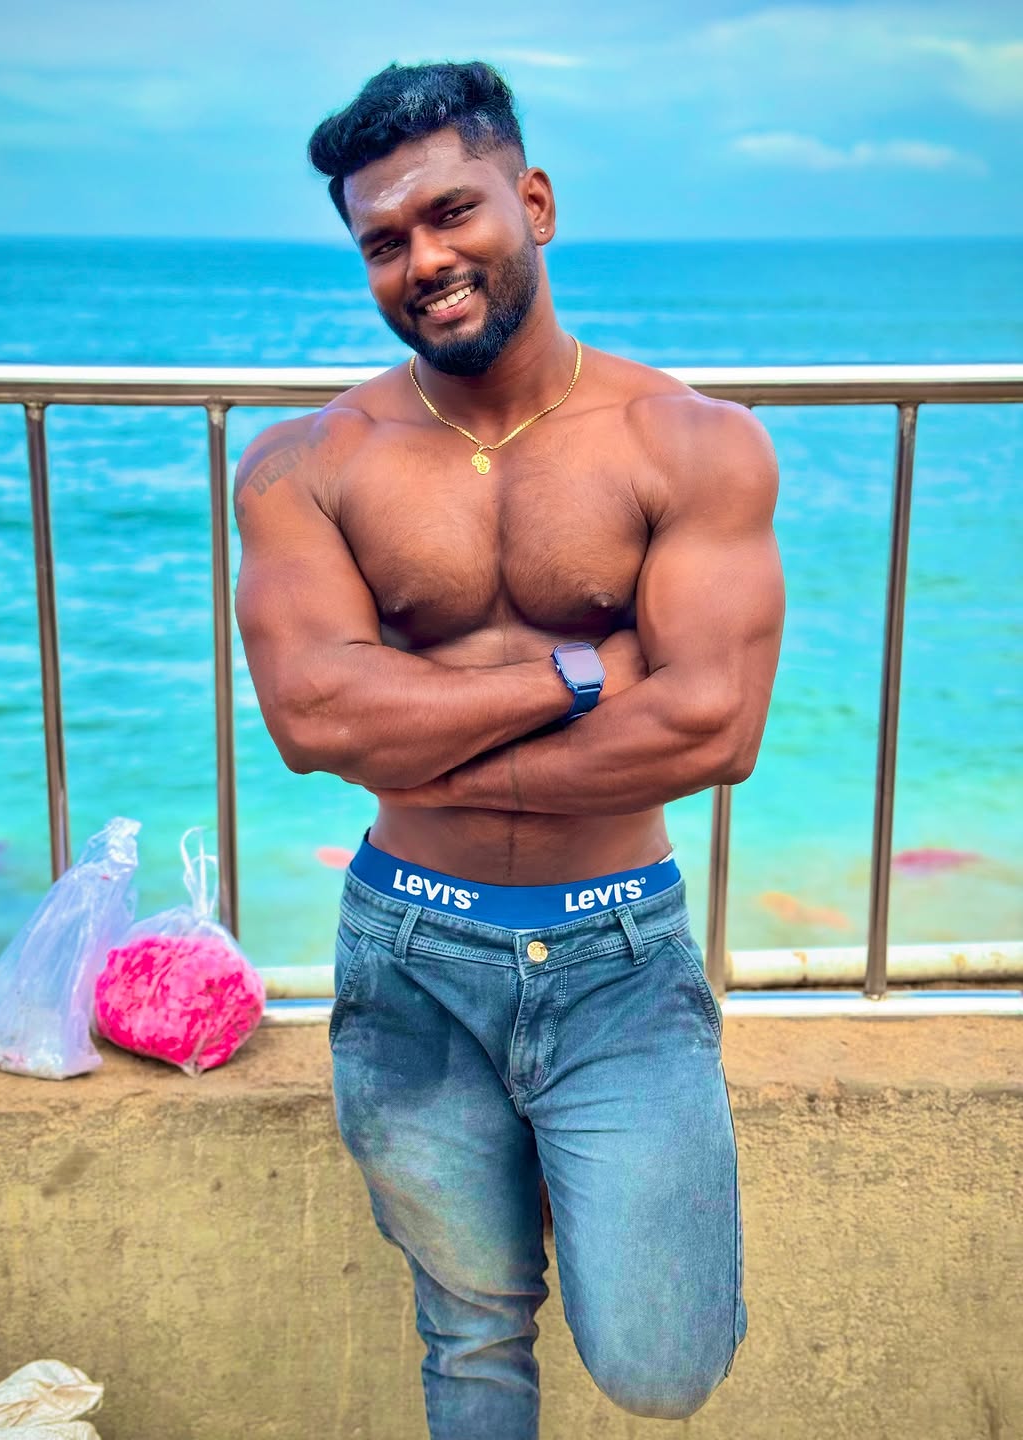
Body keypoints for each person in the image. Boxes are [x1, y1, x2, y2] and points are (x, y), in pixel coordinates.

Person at [234, 60, 784, 1439]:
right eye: (383, 241)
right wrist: (585, 672)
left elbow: (713, 724)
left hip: (617, 951)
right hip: (411, 950)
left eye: (451, 213)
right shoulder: (309, 461)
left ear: (531, 202)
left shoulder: (689, 442)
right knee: (472, 1336)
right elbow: (317, 720)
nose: (423, 260)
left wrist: (420, 739)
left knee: (664, 1364)